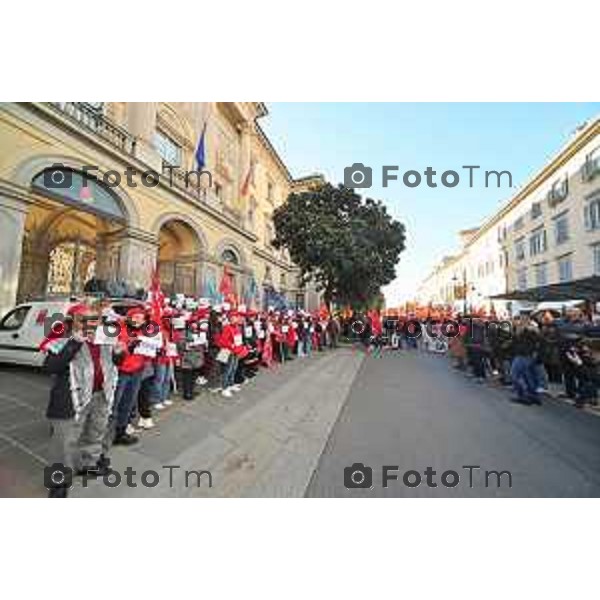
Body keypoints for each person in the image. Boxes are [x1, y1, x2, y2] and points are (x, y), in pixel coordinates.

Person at [43, 304, 124, 497]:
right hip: (71, 398)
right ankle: (59, 482)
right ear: (73, 321)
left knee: (95, 433)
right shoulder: (61, 337)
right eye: (83, 319)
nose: (90, 323)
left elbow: (114, 364)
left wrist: (119, 353)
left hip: (101, 394)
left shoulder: (105, 336)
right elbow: (51, 367)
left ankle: (88, 464)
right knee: (64, 442)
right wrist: (74, 343)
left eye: (94, 319)